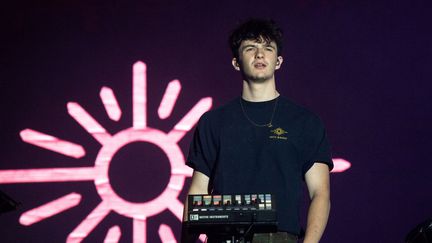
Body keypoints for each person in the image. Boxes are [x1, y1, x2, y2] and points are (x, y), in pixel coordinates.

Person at [182, 18, 333, 243]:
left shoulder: (305, 122)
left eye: (268, 48)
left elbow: (320, 193)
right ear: (236, 62)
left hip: (279, 237)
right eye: (251, 48)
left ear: (279, 61)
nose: (260, 55)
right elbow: (197, 190)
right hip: (222, 237)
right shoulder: (213, 122)